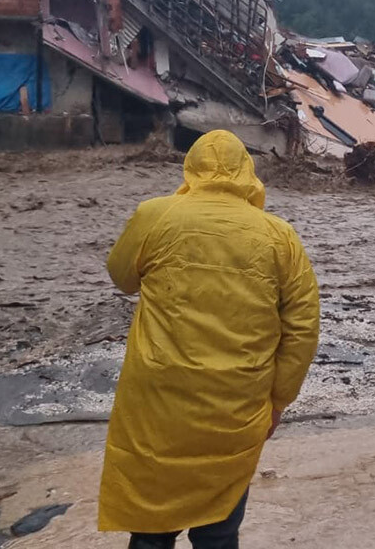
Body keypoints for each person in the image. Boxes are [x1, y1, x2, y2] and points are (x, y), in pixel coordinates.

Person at [98, 130, 321, 549]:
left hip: (157, 399)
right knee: (219, 530)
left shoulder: (155, 214)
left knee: (150, 527)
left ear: (191, 169)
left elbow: (122, 277)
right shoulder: (279, 235)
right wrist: (278, 400)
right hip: (238, 401)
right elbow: (303, 326)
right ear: (247, 173)